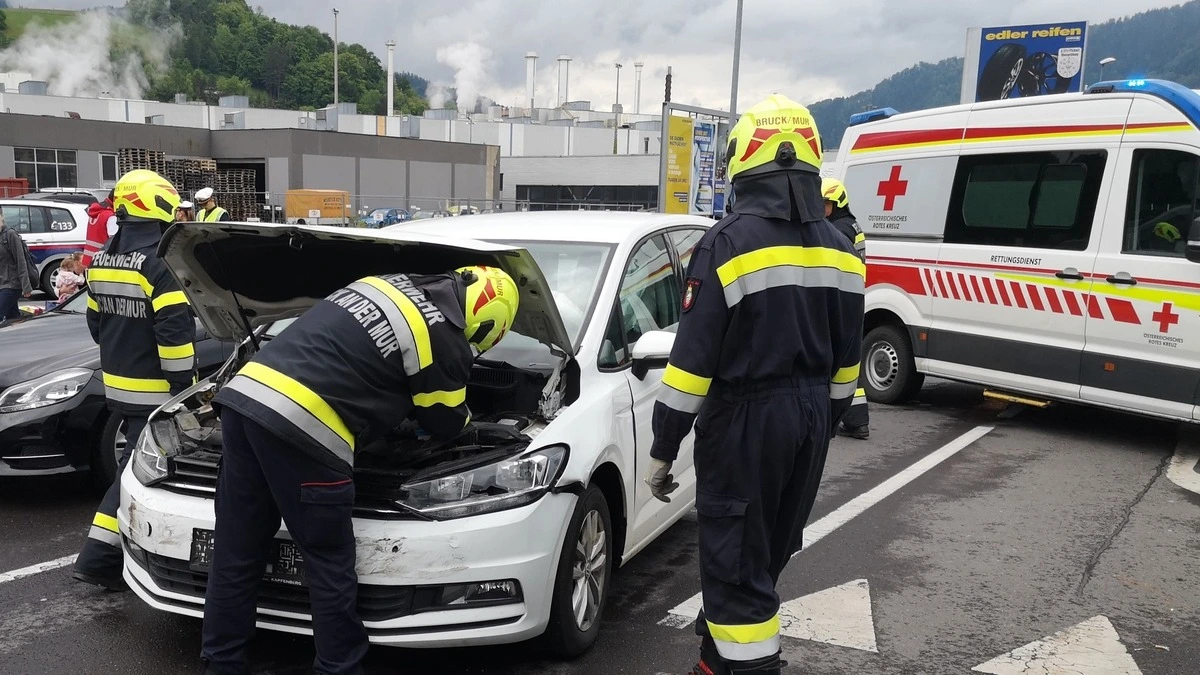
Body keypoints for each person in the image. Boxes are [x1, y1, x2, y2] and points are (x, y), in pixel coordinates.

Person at [200, 265, 521, 675]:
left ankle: (221, 663)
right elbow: (445, 423)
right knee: (327, 559)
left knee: (237, 549)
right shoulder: (445, 339)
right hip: (305, 427)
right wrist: (482, 427)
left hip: (244, 401)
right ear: (488, 323)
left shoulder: (385, 283)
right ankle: (339, 667)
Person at [644, 95, 865, 675]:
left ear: (745, 161)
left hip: (746, 419)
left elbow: (691, 368)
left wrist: (663, 451)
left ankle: (746, 667)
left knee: (737, 566)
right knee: (763, 553)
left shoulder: (725, 243)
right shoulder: (844, 253)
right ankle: (715, 662)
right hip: (813, 418)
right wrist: (817, 424)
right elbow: (847, 370)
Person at [73, 169, 196, 590]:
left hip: (118, 386)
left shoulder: (103, 259)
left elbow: (95, 322)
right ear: (157, 204)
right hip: (156, 392)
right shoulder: (161, 264)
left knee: (136, 470)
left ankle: (120, 554)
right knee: (134, 475)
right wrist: (184, 391)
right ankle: (100, 559)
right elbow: (174, 335)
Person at [823, 178, 870, 440]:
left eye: (826, 204)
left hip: (842, 297)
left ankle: (851, 419)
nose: (822, 209)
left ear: (838, 203)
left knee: (841, 362)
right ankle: (856, 421)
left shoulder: (840, 230)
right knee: (849, 363)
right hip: (851, 296)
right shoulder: (849, 224)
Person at [0, 212, 34, 321]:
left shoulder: (10, 234)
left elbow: (21, 261)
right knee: (13, 318)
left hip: (12, 284)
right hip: (2, 284)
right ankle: (21, 336)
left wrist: (26, 286)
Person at [83, 190, 117, 268]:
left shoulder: (96, 212)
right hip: (102, 261)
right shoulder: (110, 216)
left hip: (89, 260)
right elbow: (114, 242)